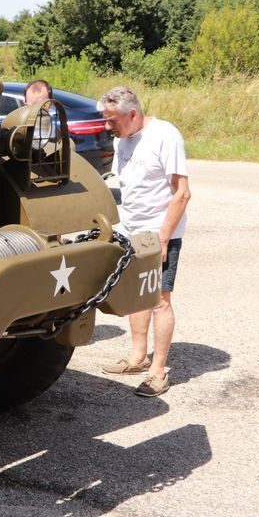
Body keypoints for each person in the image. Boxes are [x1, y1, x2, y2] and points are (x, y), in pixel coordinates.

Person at [98, 86, 191, 397]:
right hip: (131, 231)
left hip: (159, 233)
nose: (107, 126)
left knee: (159, 301)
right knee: (137, 296)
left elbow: (182, 193)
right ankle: (138, 357)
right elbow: (125, 188)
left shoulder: (165, 135)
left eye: (112, 120)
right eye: (105, 119)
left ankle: (158, 371)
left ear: (133, 114)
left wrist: (163, 239)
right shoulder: (121, 139)